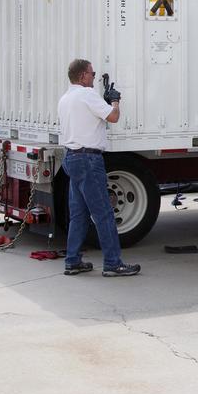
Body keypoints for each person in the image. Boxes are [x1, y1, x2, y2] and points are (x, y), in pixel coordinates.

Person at [58, 59, 140, 277]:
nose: (94, 78)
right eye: (92, 74)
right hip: (88, 160)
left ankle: (73, 261)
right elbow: (113, 117)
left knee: (79, 214)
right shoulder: (87, 95)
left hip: (71, 158)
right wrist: (115, 101)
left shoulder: (65, 98)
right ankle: (113, 263)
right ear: (83, 75)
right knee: (104, 213)